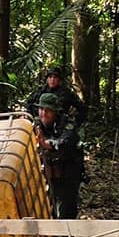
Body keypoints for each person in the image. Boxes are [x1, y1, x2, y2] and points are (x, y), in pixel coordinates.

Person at [33, 93, 83, 228]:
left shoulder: (68, 124)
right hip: (48, 175)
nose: (44, 113)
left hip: (68, 175)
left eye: (48, 110)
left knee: (66, 213)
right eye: (41, 109)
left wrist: (46, 143)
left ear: (55, 112)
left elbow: (64, 142)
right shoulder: (37, 124)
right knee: (49, 212)